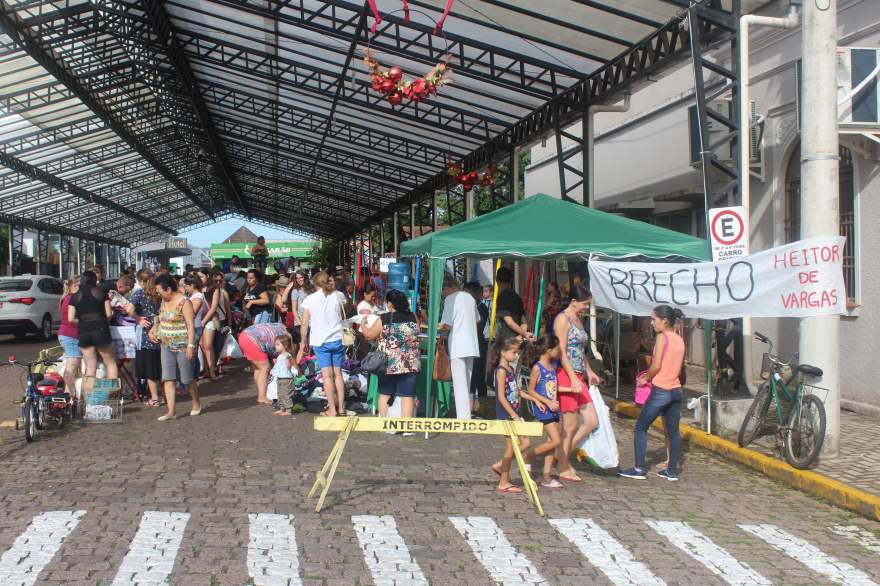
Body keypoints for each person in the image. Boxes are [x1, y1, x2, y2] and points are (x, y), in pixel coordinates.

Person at [620, 305, 686, 482]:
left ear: (665, 321)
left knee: (641, 427)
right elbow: (679, 369)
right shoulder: (679, 339)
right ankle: (672, 471)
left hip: (661, 390)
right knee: (673, 432)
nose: (651, 323)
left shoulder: (662, 337)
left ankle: (639, 468)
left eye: (654, 319)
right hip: (676, 390)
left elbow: (656, 365)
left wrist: (646, 378)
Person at [554, 285, 602, 483]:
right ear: (574, 302)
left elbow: (580, 350)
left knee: (591, 420)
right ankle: (562, 464)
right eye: (584, 304)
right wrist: (572, 377)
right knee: (571, 424)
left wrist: (589, 371)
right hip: (566, 375)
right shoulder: (562, 320)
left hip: (580, 374)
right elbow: (562, 351)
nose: (586, 307)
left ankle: (560, 454)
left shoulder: (578, 320)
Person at [362, 289, 420, 422]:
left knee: (385, 393)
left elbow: (368, 335)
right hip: (409, 363)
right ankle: (406, 426)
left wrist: (363, 324)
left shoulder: (384, 318)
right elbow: (417, 331)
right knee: (407, 395)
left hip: (389, 364)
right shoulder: (413, 316)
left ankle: (386, 423)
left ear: (390, 304)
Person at [149, 274, 201, 421]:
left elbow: (191, 325)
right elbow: (160, 318)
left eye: (159, 290)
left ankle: (196, 403)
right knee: (168, 378)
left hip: (183, 346)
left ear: (169, 289)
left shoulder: (185, 302)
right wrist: (154, 329)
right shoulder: (163, 301)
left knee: (187, 378)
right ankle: (171, 411)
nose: (157, 293)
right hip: (166, 345)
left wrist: (191, 345)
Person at [297, 271, 347, 417]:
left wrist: (303, 341)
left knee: (327, 376)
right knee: (338, 374)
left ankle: (332, 409)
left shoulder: (310, 299)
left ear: (315, 283)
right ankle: (342, 408)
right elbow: (346, 309)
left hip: (320, 341)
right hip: (338, 339)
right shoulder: (339, 295)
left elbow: (304, 322)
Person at [490, 336, 530, 494]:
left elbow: (517, 391)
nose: (516, 356)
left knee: (524, 443)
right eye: (514, 352)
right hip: (507, 414)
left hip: (514, 412)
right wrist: (513, 415)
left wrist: (535, 399)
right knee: (514, 446)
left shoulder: (510, 369)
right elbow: (501, 396)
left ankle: (501, 467)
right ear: (503, 352)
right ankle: (503, 480)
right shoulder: (500, 371)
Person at [523, 334, 564, 489]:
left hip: (553, 408)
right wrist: (546, 402)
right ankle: (529, 456)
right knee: (556, 440)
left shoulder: (553, 366)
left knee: (551, 443)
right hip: (544, 409)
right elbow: (531, 390)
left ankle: (546, 475)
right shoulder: (537, 368)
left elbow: (553, 387)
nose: (559, 351)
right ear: (548, 350)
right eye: (556, 348)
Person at [439, 276, 480, 420]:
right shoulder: (470, 298)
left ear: (448, 288)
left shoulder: (451, 299)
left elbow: (446, 324)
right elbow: (477, 319)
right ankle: (466, 414)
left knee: (459, 382)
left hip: (458, 344)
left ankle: (463, 417)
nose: (443, 294)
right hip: (472, 344)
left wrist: (437, 327)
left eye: (443, 291)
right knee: (467, 381)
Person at [68, 271, 118, 379]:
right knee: (109, 362)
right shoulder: (101, 293)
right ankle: (113, 393)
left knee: (90, 367)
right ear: (95, 280)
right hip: (100, 328)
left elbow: (70, 319)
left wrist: (82, 322)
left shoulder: (75, 296)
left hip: (84, 330)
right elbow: (109, 314)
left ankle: (89, 394)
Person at [125, 271, 163, 406]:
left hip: (146, 334)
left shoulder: (140, 293)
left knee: (149, 368)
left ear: (140, 281)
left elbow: (129, 309)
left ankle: (155, 398)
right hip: (161, 330)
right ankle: (164, 394)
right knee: (160, 365)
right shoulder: (159, 291)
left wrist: (138, 319)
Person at [239, 322, 291, 404]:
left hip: (244, 335)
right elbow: (283, 357)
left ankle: (261, 393)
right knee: (265, 368)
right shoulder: (285, 338)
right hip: (253, 339)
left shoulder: (280, 326)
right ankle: (262, 397)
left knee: (258, 368)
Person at [202, 270, 232, 381]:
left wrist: (229, 324)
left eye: (221, 280)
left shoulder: (223, 292)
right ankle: (211, 369)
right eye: (216, 280)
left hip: (221, 320)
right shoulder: (208, 290)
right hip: (211, 320)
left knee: (218, 345)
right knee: (210, 346)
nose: (218, 282)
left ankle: (217, 367)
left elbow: (228, 309)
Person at [464, 282, 489, 413]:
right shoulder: (471, 306)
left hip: (478, 344)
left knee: (476, 374)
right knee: (474, 375)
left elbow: (476, 325)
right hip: (472, 343)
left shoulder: (481, 308)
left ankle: (477, 405)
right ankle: (473, 405)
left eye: (467, 292)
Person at [493, 266, 534, 342]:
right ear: (511, 280)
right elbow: (524, 322)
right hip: (518, 339)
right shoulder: (516, 296)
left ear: (497, 280)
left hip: (507, 340)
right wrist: (522, 335)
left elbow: (509, 322)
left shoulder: (502, 297)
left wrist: (524, 334)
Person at [58, 275, 82, 396]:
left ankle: (68, 394)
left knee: (70, 366)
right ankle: (70, 395)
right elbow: (71, 319)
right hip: (70, 335)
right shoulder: (72, 299)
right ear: (74, 286)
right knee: (72, 367)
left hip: (67, 334)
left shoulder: (67, 297)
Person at [276, 269, 312, 345]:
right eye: (297, 278)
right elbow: (286, 302)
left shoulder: (310, 288)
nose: (299, 280)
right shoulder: (294, 290)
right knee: (301, 344)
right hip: (297, 318)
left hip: (310, 319)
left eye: (301, 277)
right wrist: (299, 322)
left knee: (309, 344)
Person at [183, 273, 208, 379]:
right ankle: (194, 376)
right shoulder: (192, 296)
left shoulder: (198, 296)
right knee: (193, 353)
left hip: (195, 327)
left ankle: (193, 377)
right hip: (192, 327)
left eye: (187, 286)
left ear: (192, 285)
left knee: (192, 354)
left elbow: (192, 313)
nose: (185, 288)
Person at [271, 334, 298, 416]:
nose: (275, 346)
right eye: (275, 344)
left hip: (286, 378)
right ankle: (282, 408)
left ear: (285, 345)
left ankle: (288, 410)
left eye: (278, 344)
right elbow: (278, 366)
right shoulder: (280, 356)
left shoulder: (287, 355)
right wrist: (273, 369)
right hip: (280, 378)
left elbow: (289, 365)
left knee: (286, 394)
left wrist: (288, 363)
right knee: (280, 393)